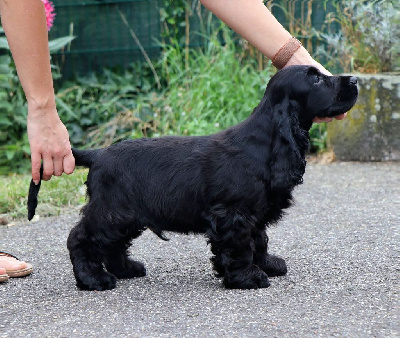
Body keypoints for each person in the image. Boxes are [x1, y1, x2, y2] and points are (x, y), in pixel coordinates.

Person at [0, 0, 346, 282]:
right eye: (317, 83)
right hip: (127, 167)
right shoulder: (241, 156)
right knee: (112, 219)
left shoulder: (254, 152)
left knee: (245, 209)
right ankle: (87, 257)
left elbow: (249, 213)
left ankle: (122, 260)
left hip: (139, 162)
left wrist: (295, 58)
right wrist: (238, 270)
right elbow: (232, 217)